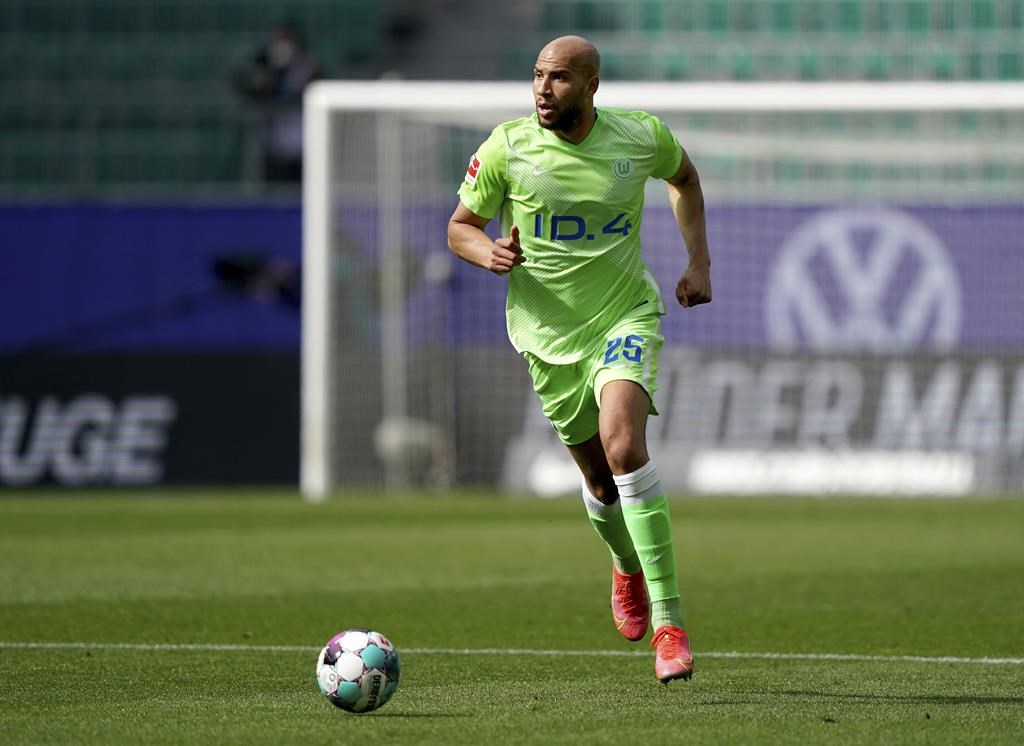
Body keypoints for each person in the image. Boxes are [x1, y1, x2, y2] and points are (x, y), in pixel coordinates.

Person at [447, 35, 712, 683]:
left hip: (624, 316)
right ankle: (625, 565)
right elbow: (460, 227)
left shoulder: (639, 137)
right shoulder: (507, 148)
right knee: (598, 481)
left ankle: (670, 626)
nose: (544, 89)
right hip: (545, 338)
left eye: (560, 77)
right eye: (538, 75)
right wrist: (488, 253)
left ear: (591, 86)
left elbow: (684, 178)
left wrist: (698, 260)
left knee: (624, 447)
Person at [232, 22, 323, 183]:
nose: (282, 47)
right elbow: (249, 88)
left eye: (286, 40)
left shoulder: (309, 69)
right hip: (276, 147)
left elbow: (308, 91)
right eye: (278, 41)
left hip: (303, 146)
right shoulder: (270, 68)